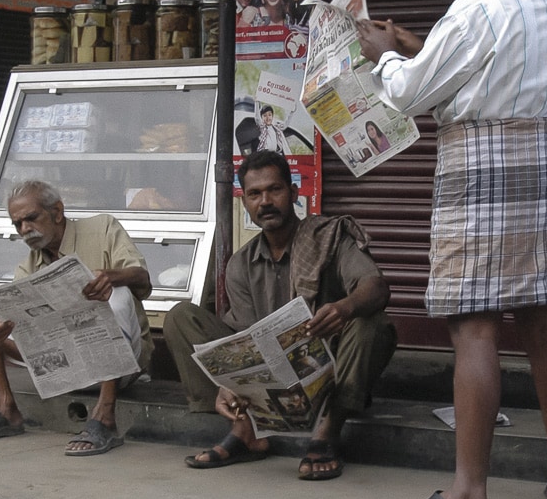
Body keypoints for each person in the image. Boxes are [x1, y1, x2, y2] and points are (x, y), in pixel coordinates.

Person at [356, 0, 547, 499]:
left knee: (474, 326)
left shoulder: (474, 9)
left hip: (480, 159)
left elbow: (407, 94)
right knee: (546, 319)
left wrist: (387, 55)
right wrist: (421, 45)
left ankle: (468, 494)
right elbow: (497, 68)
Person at [162, 150, 396, 480]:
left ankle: (327, 430)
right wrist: (230, 379)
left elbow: (377, 287)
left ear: (294, 192)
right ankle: (246, 430)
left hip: (330, 372)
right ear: (245, 203)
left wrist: (344, 308)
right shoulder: (240, 265)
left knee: (370, 322)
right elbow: (242, 340)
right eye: (254, 194)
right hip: (271, 379)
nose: (265, 202)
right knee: (180, 317)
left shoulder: (328, 237)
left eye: (275, 190)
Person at [0, 180, 153, 457]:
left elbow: (143, 278)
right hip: (62, 369)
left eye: (31, 218)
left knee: (114, 292)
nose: (25, 229)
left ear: (57, 212)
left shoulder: (103, 228)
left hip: (121, 367)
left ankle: (105, 414)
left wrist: (109, 276)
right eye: (18, 224)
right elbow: (30, 348)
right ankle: (5, 408)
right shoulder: (29, 266)